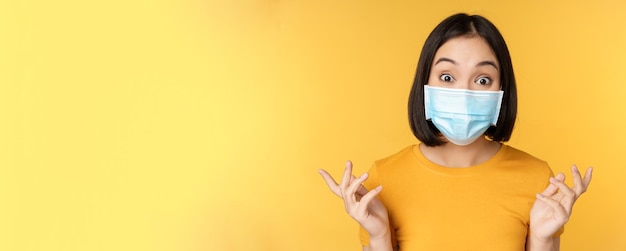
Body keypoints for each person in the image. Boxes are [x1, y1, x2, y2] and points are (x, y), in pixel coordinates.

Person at [318, 13, 593, 251]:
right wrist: (379, 238)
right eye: (447, 77)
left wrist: (542, 241)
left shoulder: (537, 179)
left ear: (501, 92)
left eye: (482, 79)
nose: (463, 94)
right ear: (425, 82)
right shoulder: (383, 180)